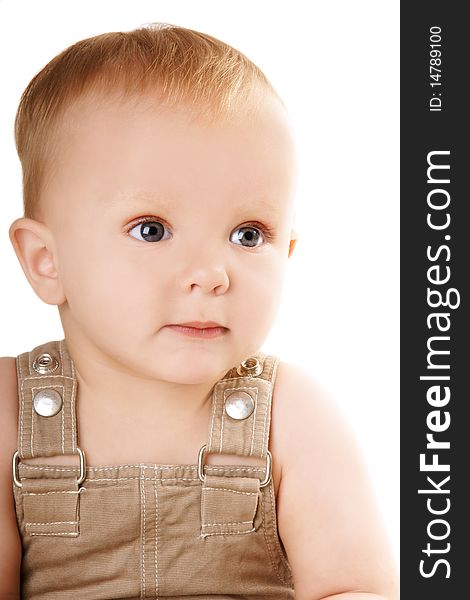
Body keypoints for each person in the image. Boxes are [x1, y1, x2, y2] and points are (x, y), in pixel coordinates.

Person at [0, 23, 398, 600]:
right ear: (47, 261)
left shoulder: (291, 416)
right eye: (152, 229)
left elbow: (356, 589)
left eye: (247, 233)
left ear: (288, 251)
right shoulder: (10, 410)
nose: (212, 273)